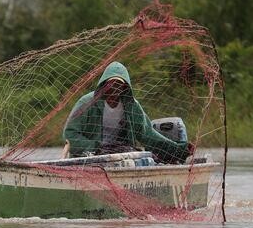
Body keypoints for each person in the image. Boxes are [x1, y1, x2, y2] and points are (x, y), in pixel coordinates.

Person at [62, 61, 193, 163]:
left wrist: (179, 149)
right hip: (89, 158)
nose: (115, 88)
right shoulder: (86, 103)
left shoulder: (131, 106)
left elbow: (147, 134)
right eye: (111, 84)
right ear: (104, 85)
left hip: (119, 156)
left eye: (119, 84)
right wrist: (95, 147)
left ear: (125, 87)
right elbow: (70, 133)